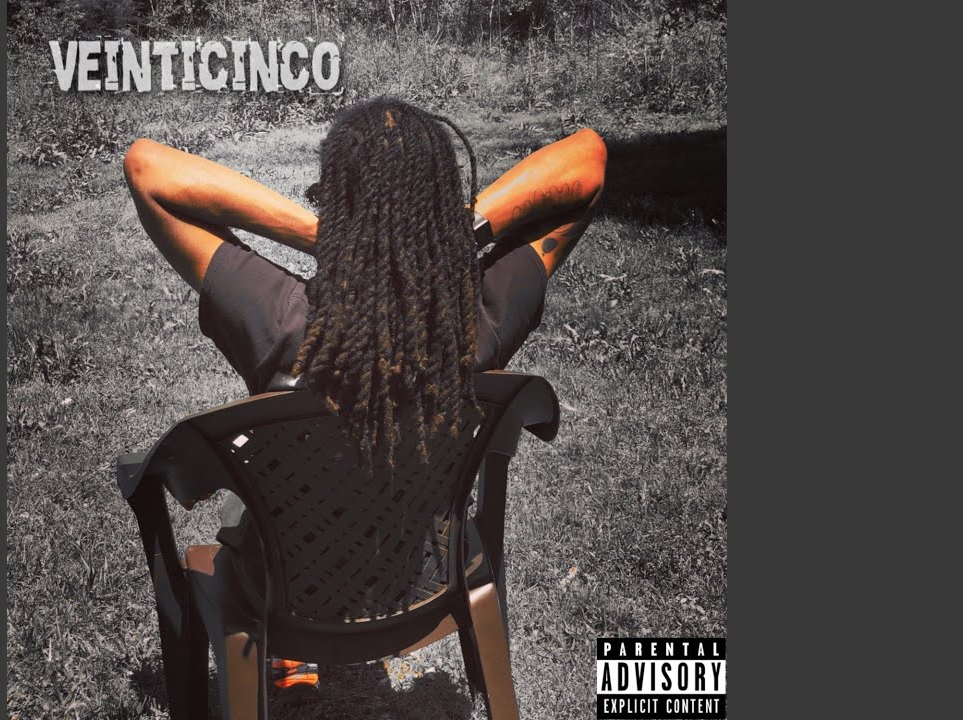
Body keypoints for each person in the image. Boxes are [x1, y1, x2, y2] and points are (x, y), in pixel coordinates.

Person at [123, 96, 606, 691]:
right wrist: (443, 234)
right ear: (443, 196)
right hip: (424, 581)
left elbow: (148, 168)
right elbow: (588, 159)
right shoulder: (480, 321)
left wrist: (336, 238)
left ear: (334, 195)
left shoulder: (283, 320)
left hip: (285, 594)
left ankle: (286, 657)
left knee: (245, 501)